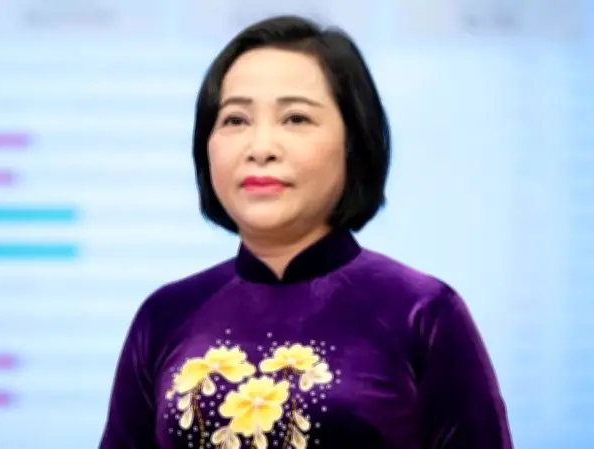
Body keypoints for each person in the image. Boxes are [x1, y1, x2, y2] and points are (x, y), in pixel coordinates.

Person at [98, 15, 512, 449]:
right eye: (235, 120)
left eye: (295, 118)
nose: (261, 149)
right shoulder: (165, 316)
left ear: (354, 141)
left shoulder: (423, 313)